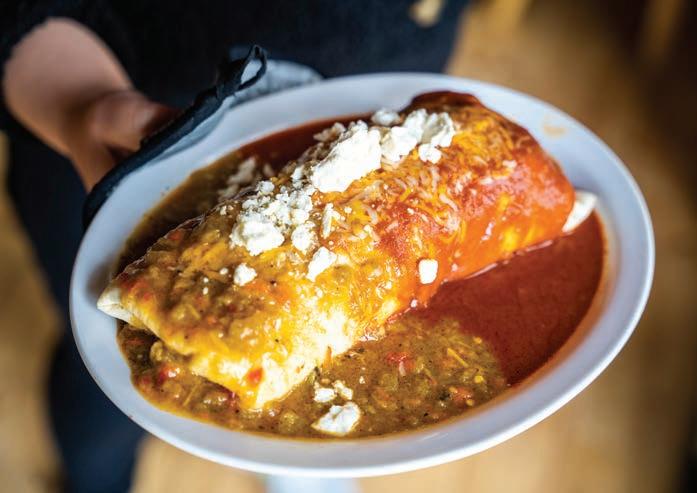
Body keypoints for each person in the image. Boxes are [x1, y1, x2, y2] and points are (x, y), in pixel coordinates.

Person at [0, 1, 469, 491]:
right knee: (98, 392)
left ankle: (300, 463)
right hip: (107, 126)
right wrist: (82, 104)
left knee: (308, 420)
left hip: (400, 100)